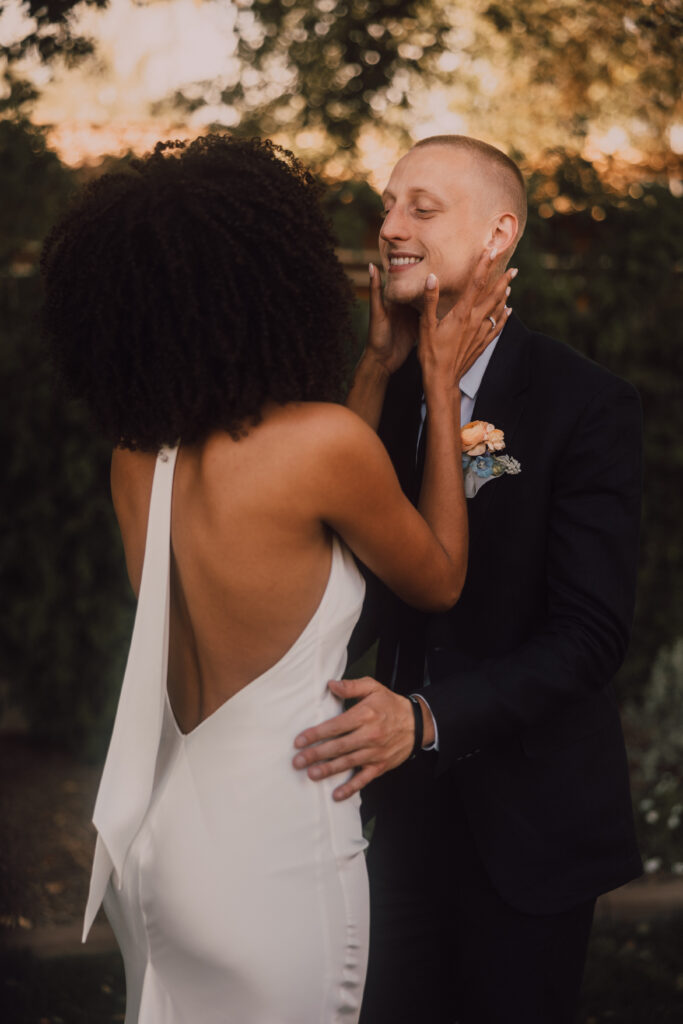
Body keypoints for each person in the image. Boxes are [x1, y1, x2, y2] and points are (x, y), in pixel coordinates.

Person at [41, 134, 512, 1024]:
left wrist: (374, 367)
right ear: (268, 285)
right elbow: (439, 578)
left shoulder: (136, 460)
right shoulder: (318, 448)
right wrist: (439, 382)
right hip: (274, 850)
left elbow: (314, 499)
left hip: (165, 851)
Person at [293, 135, 643, 1024]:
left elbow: (590, 634)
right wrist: (376, 371)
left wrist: (426, 718)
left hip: (530, 830)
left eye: (420, 207)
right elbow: (337, 576)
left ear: (497, 235)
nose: (388, 227)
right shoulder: (389, 388)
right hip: (395, 826)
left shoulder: (581, 403)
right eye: (387, 204)